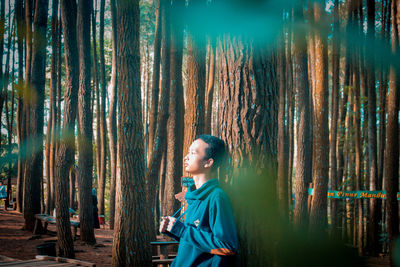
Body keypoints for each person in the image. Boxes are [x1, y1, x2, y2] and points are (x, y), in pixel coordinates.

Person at [159, 134, 238, 266]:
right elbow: (197, 243)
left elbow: (227, 246)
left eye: (193, 153)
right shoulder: (194, 197)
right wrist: (174, 230)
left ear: (208, 162)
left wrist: (182, 230)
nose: (186, 157)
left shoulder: (216, 197)